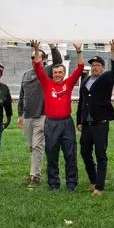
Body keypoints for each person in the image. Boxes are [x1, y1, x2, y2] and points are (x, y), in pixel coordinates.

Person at [31, 40, 84, 192]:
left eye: (60, 72)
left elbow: (80, 68)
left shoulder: (68, 83)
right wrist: (36, 49)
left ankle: (71, 184)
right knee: (52, 154)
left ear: (64, 73)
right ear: (52, 74)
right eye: (55, 72)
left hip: (66, 123)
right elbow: (37, 66)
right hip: (51, 124)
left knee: (70, 154)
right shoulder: (47, 83)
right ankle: (53, 184)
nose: (58, 75)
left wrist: (79, 52)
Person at [76, 40, 114, 196]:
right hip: (87, 124)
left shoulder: (107, 78)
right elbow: (81, 102)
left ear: (102, 68)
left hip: (100, 124)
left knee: (101, 155)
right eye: (93, 65)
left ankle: (99, 187)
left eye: (97, 65)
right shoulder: (86, 80)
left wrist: (113, 53)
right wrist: (79, 121)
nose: (95, 67)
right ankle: (93, 179)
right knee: (85, 152)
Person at [18, 43, 62, 188]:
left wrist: (53, 47)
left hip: (42, 115)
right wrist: (20, 114)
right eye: (32, 57)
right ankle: (34, 170)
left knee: (37, 146)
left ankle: (34, 177)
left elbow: (58, 63)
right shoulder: (26, 74)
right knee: (32, 146)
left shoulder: (47, 71)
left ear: (44, 60)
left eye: (37, 56)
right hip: (28, 116)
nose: (34, 59)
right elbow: (21, 95)